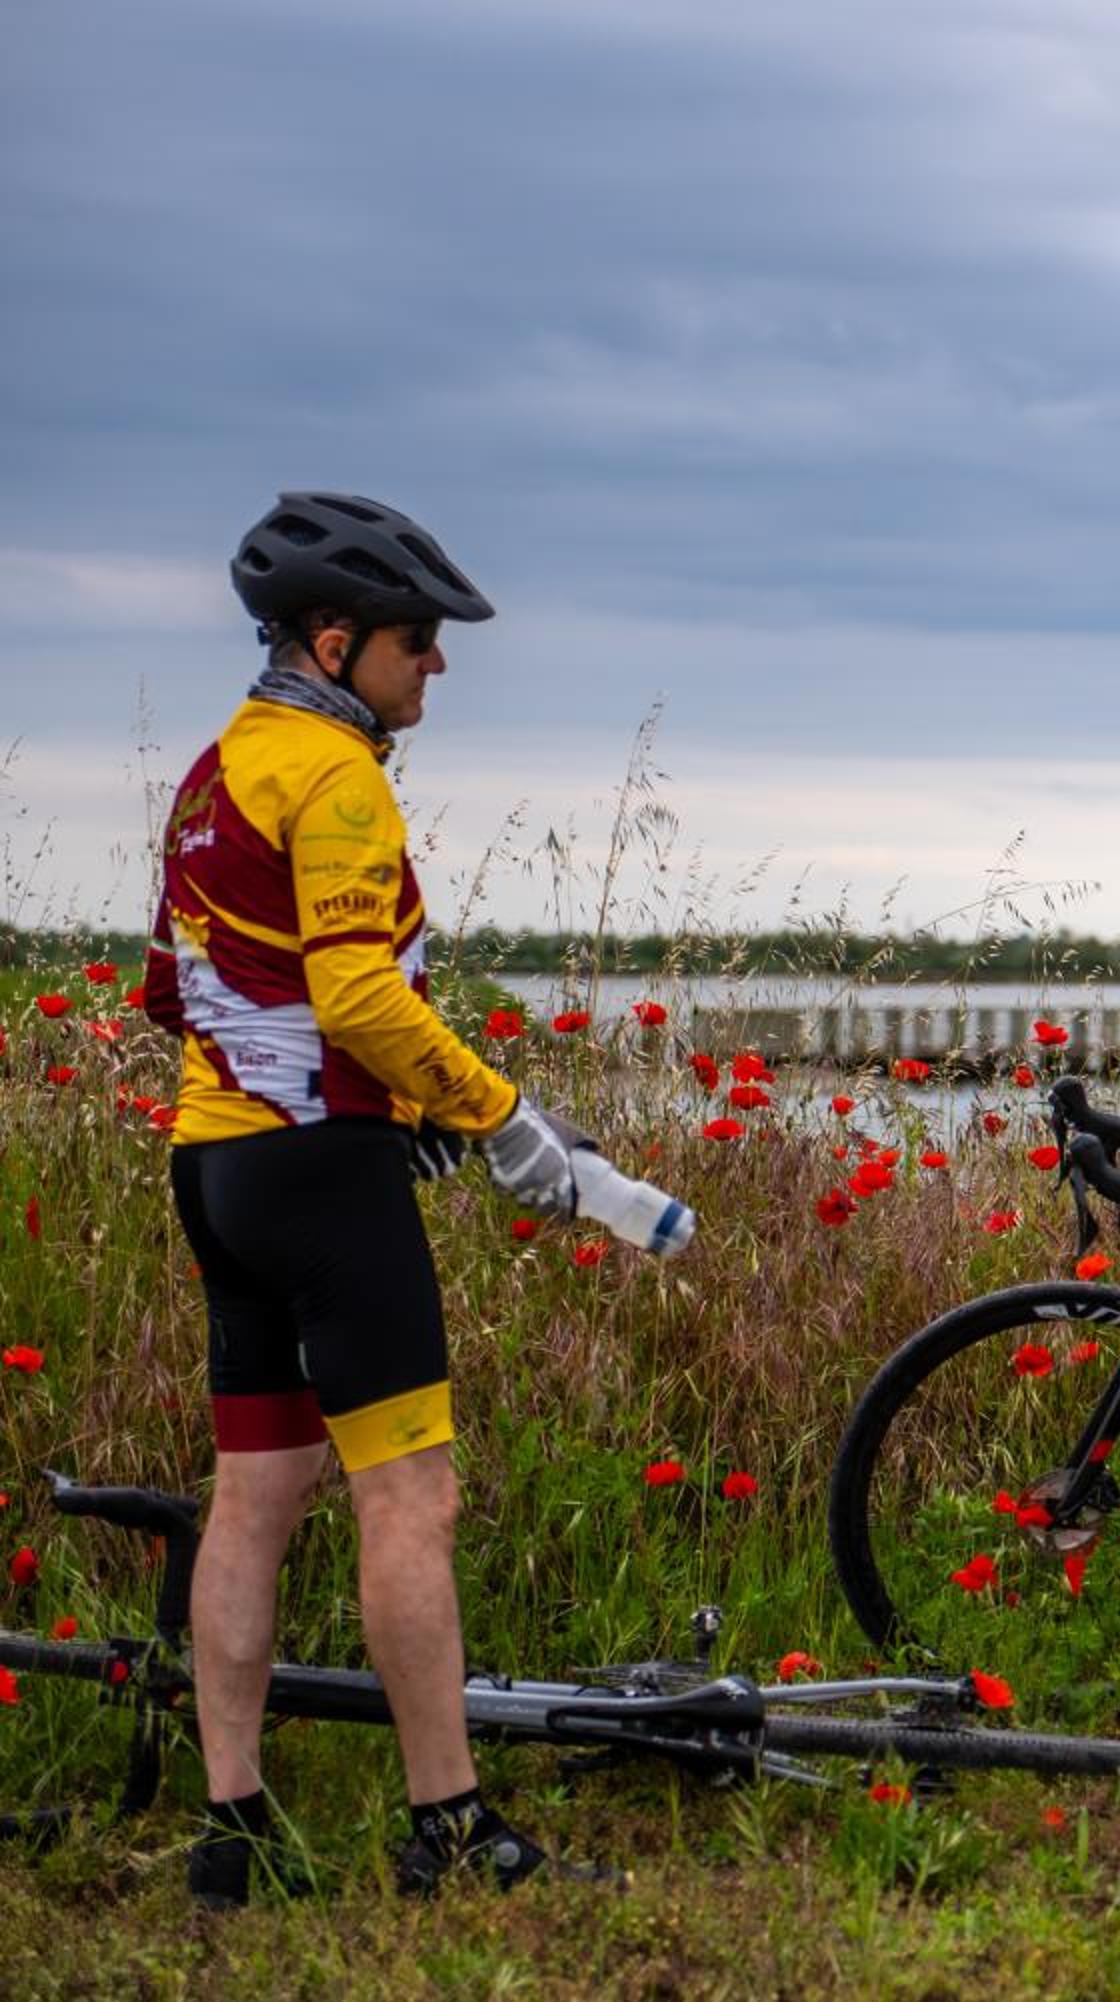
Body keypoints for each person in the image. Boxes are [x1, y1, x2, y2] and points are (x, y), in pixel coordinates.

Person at [141, 493, 605, 1905]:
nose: (438, 662)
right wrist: (495, 1113)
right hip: (317, 1177)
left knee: (255, 1494)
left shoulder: (216, 771)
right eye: (418, 638)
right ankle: (448, 1829)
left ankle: (234, 1832)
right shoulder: (338, 777)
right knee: (411, 1496)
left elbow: (175, 988)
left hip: (219, 1165)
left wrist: (373, 1104)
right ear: (334, 640)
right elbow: (355, 994)